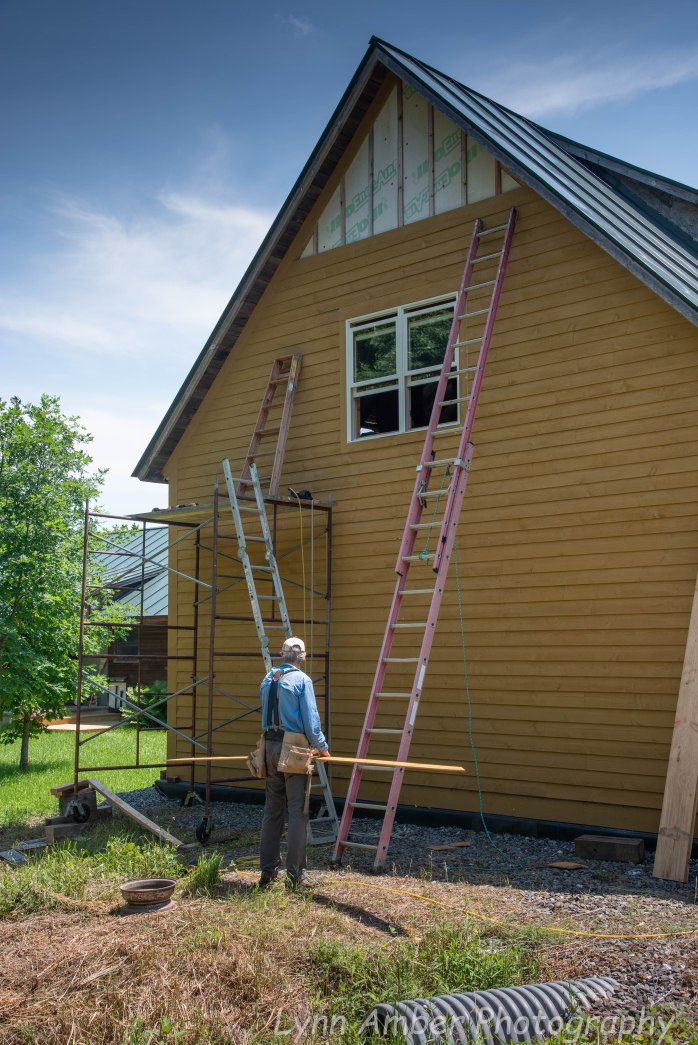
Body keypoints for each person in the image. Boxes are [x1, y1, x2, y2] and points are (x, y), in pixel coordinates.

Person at [258, 636, 329, 888]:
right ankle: (295, 875)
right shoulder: (302, 679)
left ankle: (267, 872)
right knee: (298, 811)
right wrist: (322, 747)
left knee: (272, 810)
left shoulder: (269, 678)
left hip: (269, 745)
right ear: (302, 657)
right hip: (295, 747)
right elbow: (310, 719)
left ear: (281, 655)